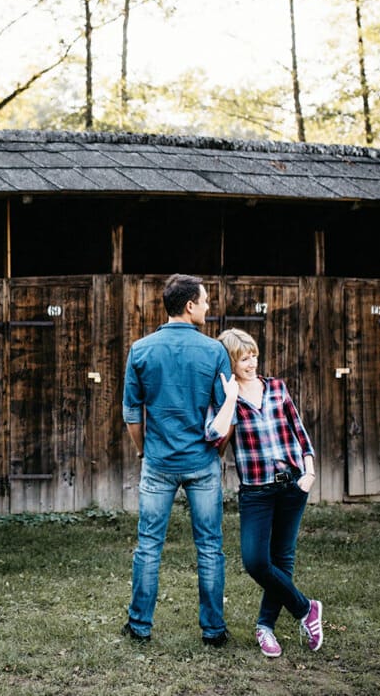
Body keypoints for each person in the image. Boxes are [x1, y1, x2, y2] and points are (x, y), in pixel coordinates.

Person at [121, 274, 235, 647]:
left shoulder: (140, 349)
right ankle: (214, 631)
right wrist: (215, 451)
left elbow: (132, 415)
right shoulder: (214, 351)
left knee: (149, 545)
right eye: (204, 301)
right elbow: (226, 414)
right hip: (202, 462)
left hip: (158, 462)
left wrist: (143, 451)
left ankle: (140, 626)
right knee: (209, 546)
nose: (207, 307)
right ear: (189, 306)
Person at [208, 328, 323, 657]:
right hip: (256, 492)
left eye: (254, 355)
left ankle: (265, 627)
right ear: (231, 360)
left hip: (292, 484)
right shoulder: (227, 400)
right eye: (244, 358)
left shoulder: (276, 387)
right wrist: (229, 399)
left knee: (282, 560)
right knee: (256, 561)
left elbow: (299, 430)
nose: (252, 363)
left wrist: (310, 471)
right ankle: (306, 609)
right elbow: (216, 444)